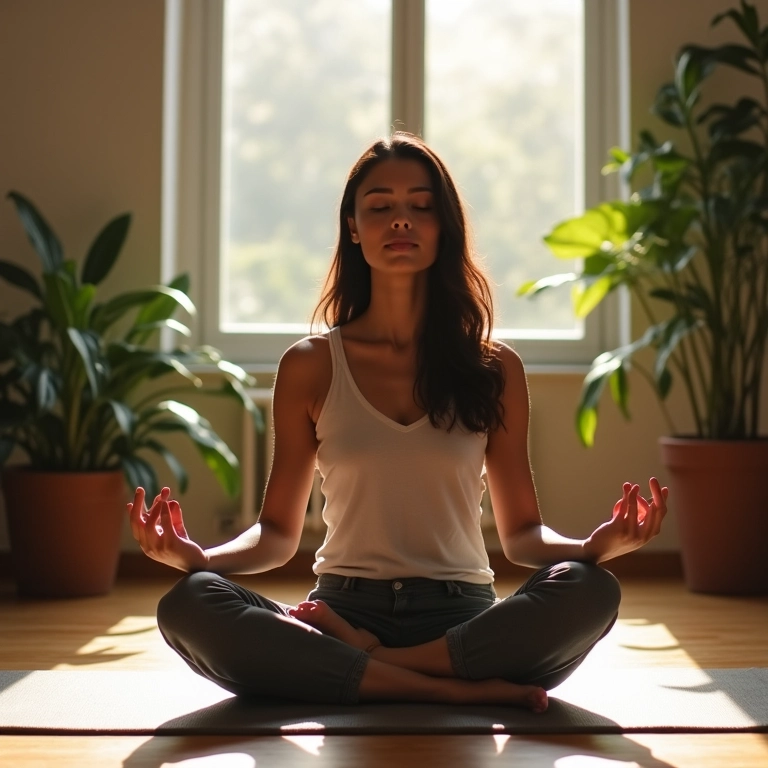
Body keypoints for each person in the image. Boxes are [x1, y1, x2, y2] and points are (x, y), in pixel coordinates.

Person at [128, 132, 668, 712]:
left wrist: (592, 546)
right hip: (344, 604)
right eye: (381, 206)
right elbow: (279, 536)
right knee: (189, 603)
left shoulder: (495, 367)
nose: (401, 221)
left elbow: (521, 537)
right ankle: (448, 690)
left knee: (590, 591)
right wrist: (199, 559)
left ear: (444, 227)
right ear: (354, 228)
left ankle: (370, 669)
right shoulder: (310, 366)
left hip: (457, 619)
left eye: (421, 206)